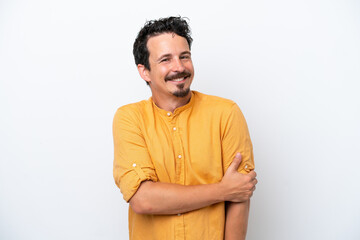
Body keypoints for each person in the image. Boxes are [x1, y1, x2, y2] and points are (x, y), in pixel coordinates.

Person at [113, 16, 257, 240]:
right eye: (165, 60)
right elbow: (143, 199)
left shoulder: (226, 113)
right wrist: (223, 190)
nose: (178, 67)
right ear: (144, 71)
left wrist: (233, 191)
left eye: (184, 56)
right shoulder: (129, 118)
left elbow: (240, 195)